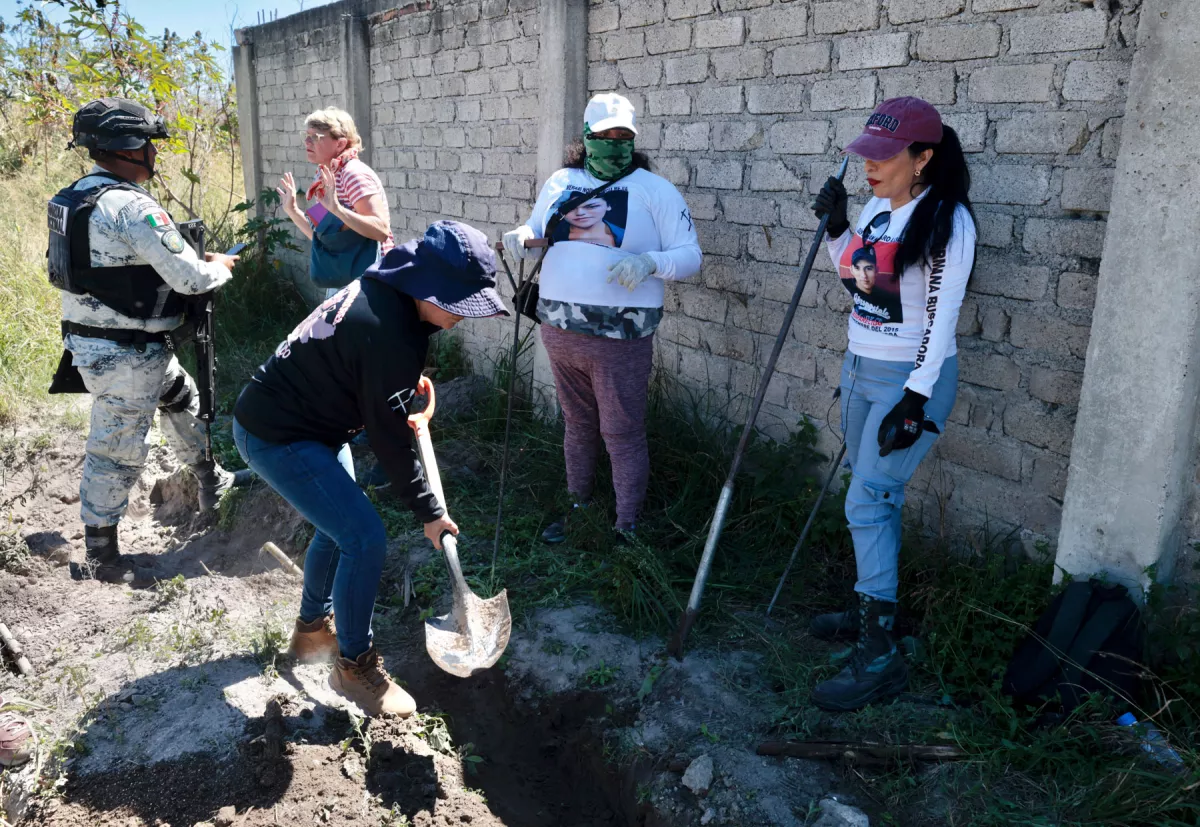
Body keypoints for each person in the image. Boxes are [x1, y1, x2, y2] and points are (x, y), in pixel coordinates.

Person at [232, 221, 508, 717]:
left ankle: (312, 631)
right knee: (363, 536)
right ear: (427, 286)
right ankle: (354, 667)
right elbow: (387, 440)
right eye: (458, 304)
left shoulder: (386, 294)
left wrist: (399, 393)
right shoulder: (388, 332)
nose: (463, 317)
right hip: (278, 435)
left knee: (339, 528)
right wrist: (428, 511)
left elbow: (370, 377)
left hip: (309, 423)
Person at [808, 97, 977, 711]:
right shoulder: (879, 211)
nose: (870, 166)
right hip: (859, 368)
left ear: (923, 158)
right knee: (874, 495)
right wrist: (837, 229)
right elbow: (857, 277)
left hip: (909, 378)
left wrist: (916, 397)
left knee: (867, 499)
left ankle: (880, 656)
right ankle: (872, 614)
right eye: (866, 155)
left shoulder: (947, 221)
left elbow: (941, 318)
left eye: (884, 156)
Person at [48, 98, 250, 585]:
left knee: (182, 399)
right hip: (126, 352)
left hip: (100, 341)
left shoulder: (72, 197)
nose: (154, 155)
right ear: (129, 147)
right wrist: (218, 267)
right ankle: (103, 555)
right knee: (116, 448)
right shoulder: (132, 205)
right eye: (149, 145)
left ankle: (210, 483)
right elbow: (191, 280)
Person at [502, 93, 701, 544]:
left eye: (622, 136)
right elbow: (539, 229)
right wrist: (522, 234)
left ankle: (626, 524)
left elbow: (690, 255)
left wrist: (650, 262)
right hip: (559, 329)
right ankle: (578, 506)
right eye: (604, 135)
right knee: (576, 423)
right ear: (586, 138)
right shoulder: (560, 181)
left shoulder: (655, 190)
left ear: (633, 139)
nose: (614, 143)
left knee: (621, 429)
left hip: (620, 337)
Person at [276, 107, 394, 293]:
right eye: (306, 135)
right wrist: (292, 210)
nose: (307, 141)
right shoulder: (328, 176)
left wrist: (338, 209)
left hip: (372, 284)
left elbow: (381, 231)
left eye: (316, 137)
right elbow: (320, 237)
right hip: (347, 281)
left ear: (340, 144)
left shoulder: (353, 174)